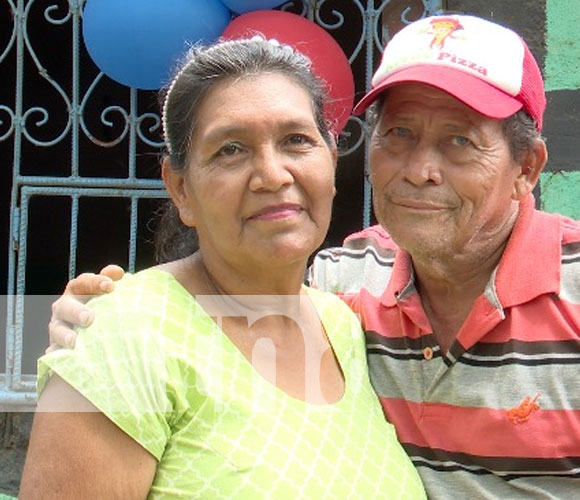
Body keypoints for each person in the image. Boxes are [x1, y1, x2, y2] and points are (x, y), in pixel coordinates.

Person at [46, 14, 580, 499]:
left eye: (459, 142)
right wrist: (103, 322)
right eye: (401, 135)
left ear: (527, 166)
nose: (420, 170)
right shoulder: (349, 285)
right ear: (180, 189)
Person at [20, 37, 427, 499]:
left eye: (296, 140)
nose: (273, 175)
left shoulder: (346, 325)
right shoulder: (126, 334)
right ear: (181, 190)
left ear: (331, 162)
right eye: (230, 150)